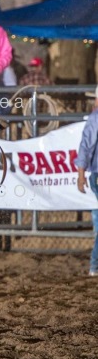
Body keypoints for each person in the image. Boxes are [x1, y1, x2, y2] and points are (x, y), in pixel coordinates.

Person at [75, 85, 98, 277]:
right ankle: (94, 265)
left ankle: (94, 266)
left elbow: (86, 145)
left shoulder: (95, 117)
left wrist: (81, 173)